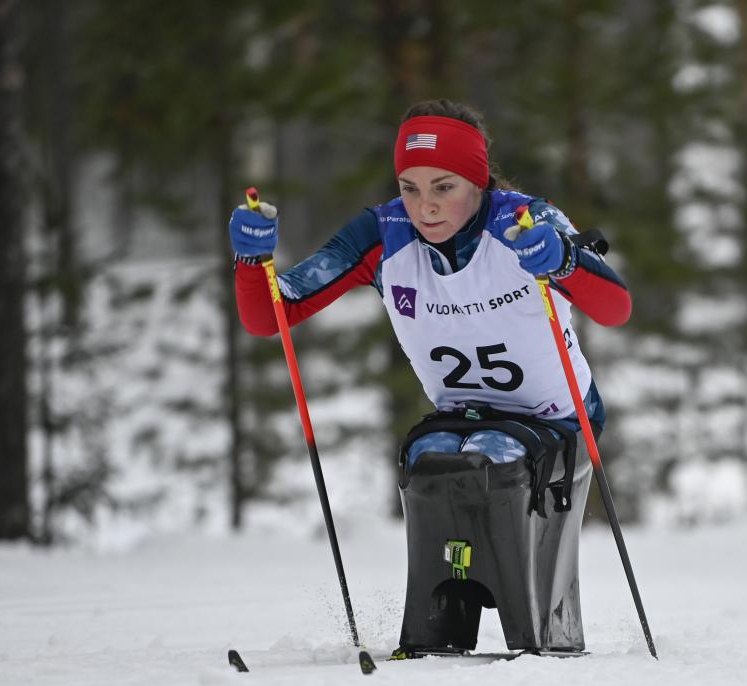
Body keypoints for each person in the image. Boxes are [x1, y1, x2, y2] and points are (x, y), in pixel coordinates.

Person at [230, 99, 631, 470]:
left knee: (487, 466)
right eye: (410, 188)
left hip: (559, 416)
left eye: (443, 187)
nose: (425, 206)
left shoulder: (524, 223)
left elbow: (615, 309)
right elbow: (271, 316)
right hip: (461, 421)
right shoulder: (384, 233)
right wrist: (252, 261)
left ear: (477, 181)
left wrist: (563, 260)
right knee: (428, 464)